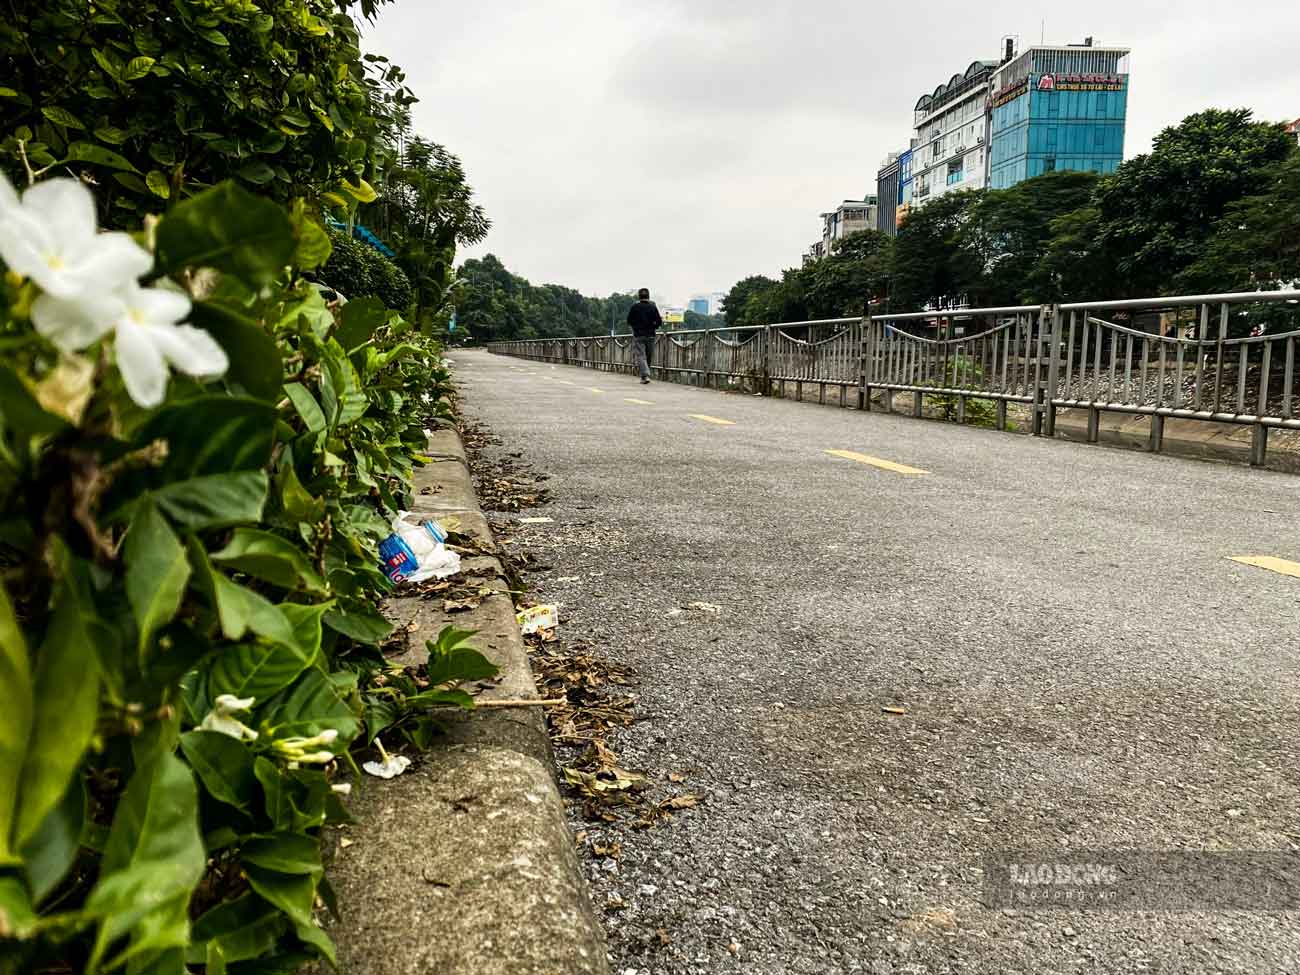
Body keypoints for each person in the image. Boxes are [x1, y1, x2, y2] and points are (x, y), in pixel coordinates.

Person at [626, 288, 662, 384]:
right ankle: (645, 375)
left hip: (638, 335)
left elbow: (629, 320)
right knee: (648, 356)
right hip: (650, 335)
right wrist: (654, 327)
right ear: (648, 296)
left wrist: (634, 328)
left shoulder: (635, 307)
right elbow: (659, 321)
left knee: (641, 356)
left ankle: (645, 376)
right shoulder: (653, 307)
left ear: (639, 296)